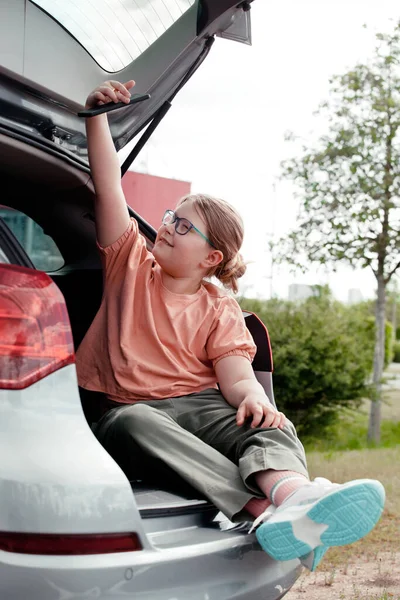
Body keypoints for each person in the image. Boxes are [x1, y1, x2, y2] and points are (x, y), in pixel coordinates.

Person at [76, 79, 385, 572]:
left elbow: (237, 376)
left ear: (211, 258)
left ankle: (296, 495)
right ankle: (264, 511)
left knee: (272, 423)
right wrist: (97, 120)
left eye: (183, 225)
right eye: (171, 216)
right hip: (134, 408)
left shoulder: (219, 306)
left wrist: (256, 401)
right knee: (133, 423)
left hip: (200, 405)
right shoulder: (129, 265)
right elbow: (109, 185)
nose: (169, 226)